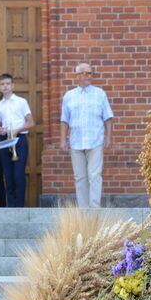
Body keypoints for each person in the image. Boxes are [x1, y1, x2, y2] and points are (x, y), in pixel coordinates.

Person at [60, 62, 113, 208]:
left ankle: (94, 210)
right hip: (76, 142)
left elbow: (107, 117)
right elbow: (64, 120)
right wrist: (63, 140)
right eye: (85, 73)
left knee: (94, 176)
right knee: (80, 178)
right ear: (77, 76)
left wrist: (108, 137)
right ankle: (83, 211)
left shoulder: (100, 94)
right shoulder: (69, 96)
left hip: (95, 141)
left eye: (91, 73)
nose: (89, 76)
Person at [0, 74, 33, 207]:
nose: (5, 86)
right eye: (2, 84)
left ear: (13, 86)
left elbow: (31, 123)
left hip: (18, 138)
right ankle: (11, 207)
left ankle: (20, 207)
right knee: (8, 176)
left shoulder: (21, 102)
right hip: (5, 139)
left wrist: (17, 130)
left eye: (8, 83)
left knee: (18, 175)